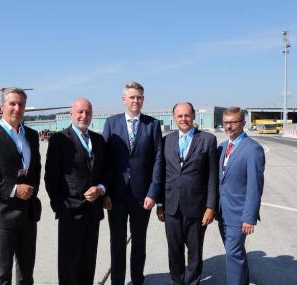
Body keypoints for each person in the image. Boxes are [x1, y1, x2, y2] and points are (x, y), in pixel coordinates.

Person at [0, 87, 42, 285]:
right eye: (12, 103)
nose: (17, 108)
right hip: (3, 215)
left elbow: (36, 169)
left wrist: (31, 193)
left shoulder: (32, 135)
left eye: (21, 104)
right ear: (2, 106)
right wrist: (13, 189)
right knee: (2, 273)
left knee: (27, 272)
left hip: (28, 214)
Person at [102, 82, 164, 285]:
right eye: (132, 97)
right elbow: (105, 160)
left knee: (139, 241)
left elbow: (158, 160)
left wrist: (153, 192)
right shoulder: (111, 123)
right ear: (124, 99)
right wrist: (106, 192)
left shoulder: (152, 125)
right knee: (117, 243)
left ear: (143, 99)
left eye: (139, 97)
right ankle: (117, 281)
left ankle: (138, 279)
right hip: (116, 196)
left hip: (142, 196)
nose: (135, 100)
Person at [45, 98, 108, 285]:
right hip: (70, 212)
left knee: (88, 262)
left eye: (88, 112)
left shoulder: (98, 140)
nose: (84, 116)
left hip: (93, 212)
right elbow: (51, 178)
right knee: (68, 264)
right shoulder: (59, 140)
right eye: (80, 112)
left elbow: (106, 171)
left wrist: (101, 189)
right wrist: (61, 207)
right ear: (71, 114)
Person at [157, 102, 218, 285]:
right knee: (174, 250)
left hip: (197, 208)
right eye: (179, 116)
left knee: (194, 251)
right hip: (171, 207)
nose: (183, 119)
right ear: (174, 118)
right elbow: (161, 174)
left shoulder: (207, 140)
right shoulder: (166, 140)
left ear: (193, 116)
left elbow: (212, 177)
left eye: (187, 115)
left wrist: (210, 207)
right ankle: (177, 281)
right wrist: (160, 204)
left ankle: (192, 282)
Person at [217, 107, 265, 285]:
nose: (229, 126)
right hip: (223, 212)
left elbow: (255, 186)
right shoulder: (222, 147)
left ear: (243, 123)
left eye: (233, 122)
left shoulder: (253, 149)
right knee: (235, 253)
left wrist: (249, 217)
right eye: (226, 122)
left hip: (239, 213)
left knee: (233, 254)